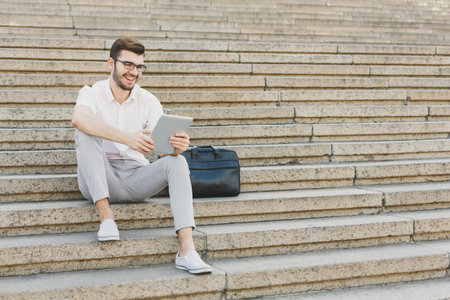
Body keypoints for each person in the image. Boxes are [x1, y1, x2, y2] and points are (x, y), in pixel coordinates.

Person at [71, 37, 212, 275]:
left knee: (176, 162)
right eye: (128, 65)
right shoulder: (91, 92)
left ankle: (187, 250)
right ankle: (106, 218)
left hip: (137, 178)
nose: (133, 72)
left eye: (139, 67)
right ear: (110, 63)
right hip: (100, 177)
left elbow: (162, 147)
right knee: (85, 132)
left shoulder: (148, 100)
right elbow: (79, 119)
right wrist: (127, 138)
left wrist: (177, 146)